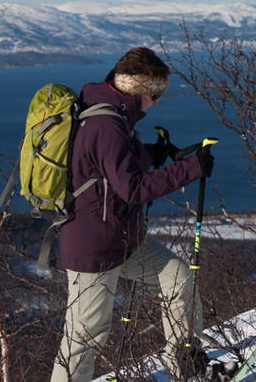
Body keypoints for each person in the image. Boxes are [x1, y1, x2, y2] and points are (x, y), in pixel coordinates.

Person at [51, 47, 214, 382]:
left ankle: (185, 365)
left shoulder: (108, 113)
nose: (156, 103)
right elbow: (133, 189)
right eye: (154, 95)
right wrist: (191, 169)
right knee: (84, 338)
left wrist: (155, 153)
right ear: (139, 91)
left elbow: (111, 165)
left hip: (121, 239)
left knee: (178, 278)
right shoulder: (106, 124)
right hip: (94, 250)